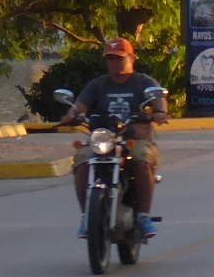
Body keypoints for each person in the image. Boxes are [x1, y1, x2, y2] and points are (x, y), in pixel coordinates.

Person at [60, 37, 167, 237]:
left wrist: (159, 112)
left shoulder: (143, 82)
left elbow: (159, 101)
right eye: (110, 58)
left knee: (142, 160)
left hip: (135, 138)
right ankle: (86, 217)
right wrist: (72, 115)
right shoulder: (98, 84)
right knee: (82, 160)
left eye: (119, 58)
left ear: (132, 58)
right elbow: (80, 106)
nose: (114, 63)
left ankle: (143, 216)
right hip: (103, 139)